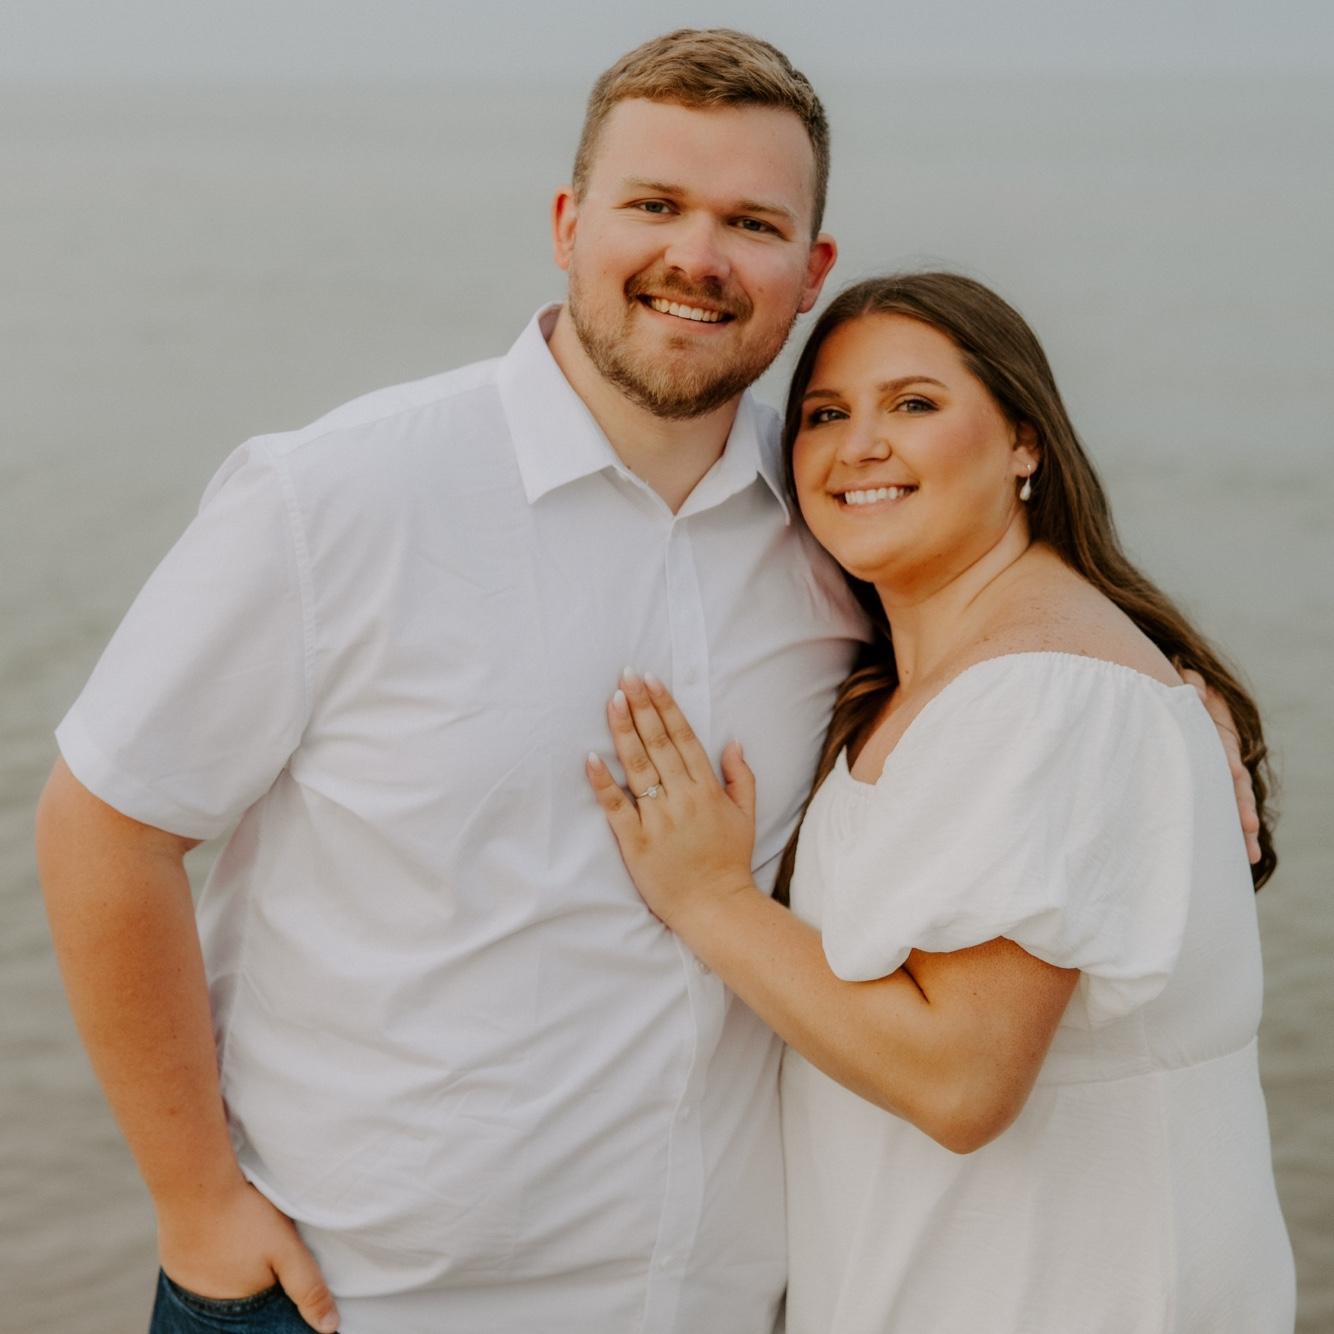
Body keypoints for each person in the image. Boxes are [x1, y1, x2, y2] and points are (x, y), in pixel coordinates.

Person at [34, 30, 1257, 1334]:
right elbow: (105, 823)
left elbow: (996, 634)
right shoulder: (339, 493)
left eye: (751, 222)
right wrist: (195, 1199)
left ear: (808, 271)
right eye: (655, 205)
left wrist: (1163, 690)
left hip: (710, 1300)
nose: (698, 257)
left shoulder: (833, 520)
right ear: (569, 224)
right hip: (356, 1299)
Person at [586, 272, 1296, 1332]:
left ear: (1024, 442)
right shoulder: (959, 676)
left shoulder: (1041, 693)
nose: (860, 445)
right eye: (826, 414)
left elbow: (960, 1080)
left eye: (913, 404)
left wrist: (709, 899)